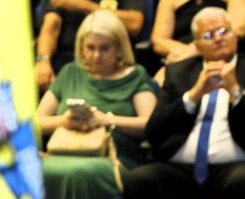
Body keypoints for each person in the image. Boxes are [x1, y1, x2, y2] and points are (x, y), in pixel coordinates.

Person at [124, 7, 245, 199]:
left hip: (236, 167)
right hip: (178, 168)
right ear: (198, 45)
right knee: (139, 179)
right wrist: (193, 96)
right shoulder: (177, 72)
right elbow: (154, 131)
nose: (218, 39)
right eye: (208, 36)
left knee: (244, 181)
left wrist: (236, 93)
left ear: (235, 35)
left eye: (223, 31)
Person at [36, 11, 156, 199]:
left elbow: (152, 124)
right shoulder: (70, 72)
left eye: (104, 48)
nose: (96, 55)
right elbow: (36, 123)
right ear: (81, 47)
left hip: (111, 158)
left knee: (80, 172)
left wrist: (106, 120)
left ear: (119, 48)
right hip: (64, 152)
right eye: (90, 48)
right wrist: (64, 121)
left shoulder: (136, 75)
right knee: (34, 169)